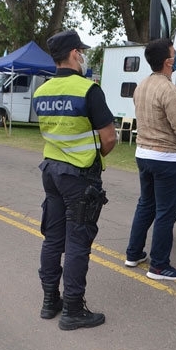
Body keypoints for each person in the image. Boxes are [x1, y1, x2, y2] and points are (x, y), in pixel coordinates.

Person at [32, 29, 117, 331]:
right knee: (78, 241)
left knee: (53, 238)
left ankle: (49, 301)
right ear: (73, 54)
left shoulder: (41, 91)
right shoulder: (87, 89)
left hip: (51, 172)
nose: (83, 56)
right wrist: (95, 157)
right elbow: (109, 138)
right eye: (81, 51)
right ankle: (72, 310)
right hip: (79, 175)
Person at [124, 38, 176, 280]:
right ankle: (159, 266)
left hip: (143, 154)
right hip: (165, 158)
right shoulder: (168, 89)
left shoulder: (142, 85)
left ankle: (133, 253)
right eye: (175, 55)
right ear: (168, 62)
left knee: (146, 204)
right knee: (166, 212)